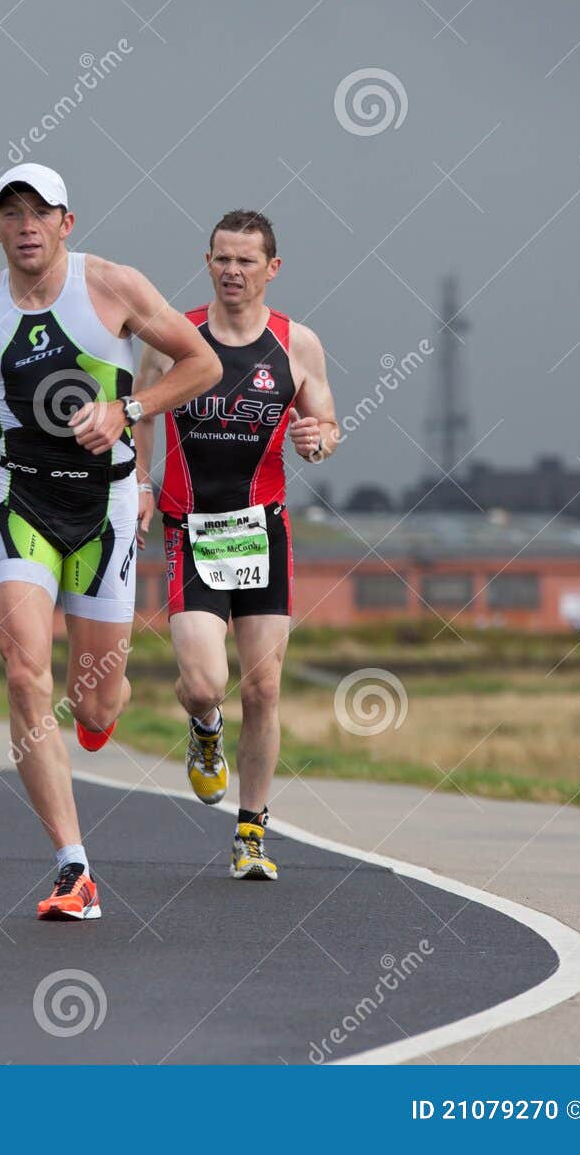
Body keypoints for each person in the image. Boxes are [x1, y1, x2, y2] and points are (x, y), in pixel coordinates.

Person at [0, 164, 221, 920]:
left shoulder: (113, 287)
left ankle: (105, 713)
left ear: (66, 223)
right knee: (24, 675)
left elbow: (202, 362)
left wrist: (132, 407)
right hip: (22, 497)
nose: (26, 225)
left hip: (106, 504)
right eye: (11, 213)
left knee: (93, 702)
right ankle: (73, 866)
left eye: (39, 213)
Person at [133, 209, 339, 881]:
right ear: (208, 261)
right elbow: (139, 410)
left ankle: (251, 833)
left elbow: (325, 420)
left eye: (246, 261)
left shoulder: (296, 343)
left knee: (265, 687)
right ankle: (203, 730)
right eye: (222, 258)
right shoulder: (174, 337)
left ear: (271, 268)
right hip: (189, 527)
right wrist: (138, 483)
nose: (232, 272)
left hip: (263, 531)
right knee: (201, 684)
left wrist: (319, 439)